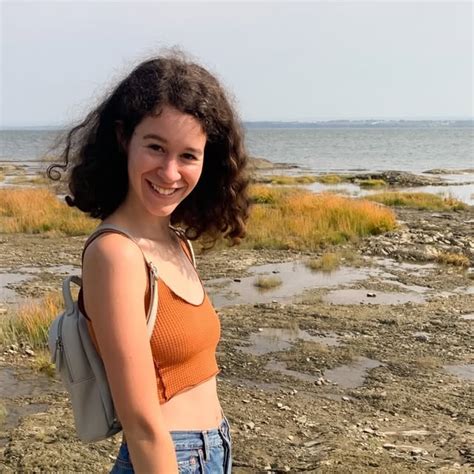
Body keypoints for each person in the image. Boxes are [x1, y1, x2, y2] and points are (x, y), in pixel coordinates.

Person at [48, 52, 250, 473]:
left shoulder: (176, 242)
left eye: (188, 156)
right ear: (124, 138)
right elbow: (141, 424)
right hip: (169, 458)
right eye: (156, 147)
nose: (170, 172)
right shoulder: (115, 254)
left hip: (213, 449)